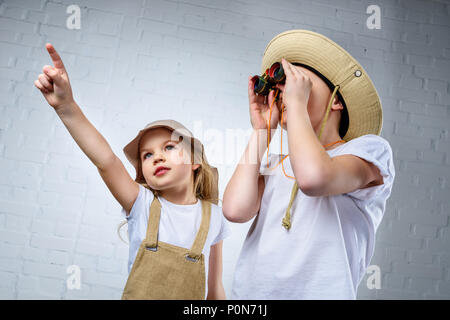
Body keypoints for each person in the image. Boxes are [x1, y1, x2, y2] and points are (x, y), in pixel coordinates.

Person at [34, 43, 231, 300]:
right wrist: (66, 106)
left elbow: (214, 290)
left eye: (169, 147)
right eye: (147, 155)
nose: (156, 156)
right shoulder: (142, 203)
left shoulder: (215, 216)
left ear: (195, 161)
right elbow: (106, 161)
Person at [223, 30, 395, 299]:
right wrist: (261, 131)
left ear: (336, 101)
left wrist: (296, 103)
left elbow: (314, 179)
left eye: (297, 83)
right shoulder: (275, 161)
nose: (285, 94)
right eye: (282, 89)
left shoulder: (367, 152)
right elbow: (234, 210)